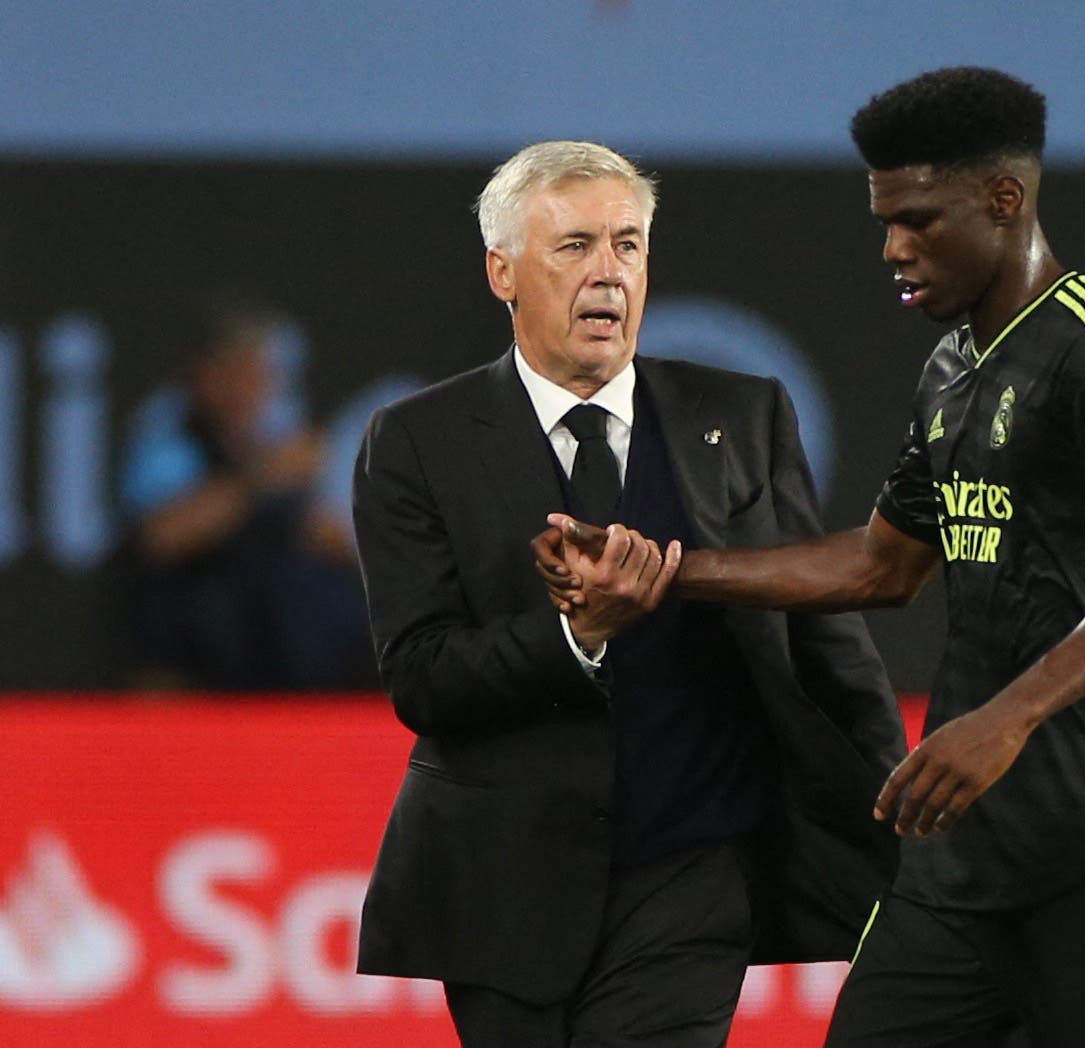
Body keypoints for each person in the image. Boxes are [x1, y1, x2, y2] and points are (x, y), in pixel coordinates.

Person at [540, 69, 1085, 1047]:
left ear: (1004, 200)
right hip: (954, 862)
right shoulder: (950, 370)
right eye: (883, 219)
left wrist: (1007, 717)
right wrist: (663, 573)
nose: (892, 247)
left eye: (918, 219)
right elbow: (880, 566)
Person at [350, 141, 904, 1047]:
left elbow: (822, 635)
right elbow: (420, 674)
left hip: (693, 873)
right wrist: (578, 640)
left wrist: (895, 824)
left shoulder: (744, 415)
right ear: (504, 272)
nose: (608, 273)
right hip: (501, 890)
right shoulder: (417, 441)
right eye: (574, 247)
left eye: (629, 244)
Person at [117, 294, 371, 689]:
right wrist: (263, 478)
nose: (242, 386)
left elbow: (331, 538)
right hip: (198, 646)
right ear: (201, 372)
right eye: (229, 370)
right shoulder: (171, 430)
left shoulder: (280, 433)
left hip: (286, 654)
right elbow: (162, 537)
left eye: (254, 372)